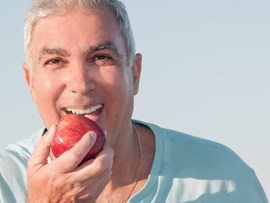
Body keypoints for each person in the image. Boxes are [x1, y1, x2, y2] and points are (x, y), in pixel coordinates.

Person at [0, 0, 268, 202]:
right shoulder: (5, 181)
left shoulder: (223, 177)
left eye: (101, 57)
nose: (80, 84)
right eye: (55, 61)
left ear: (134, 73)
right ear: (31, 82)